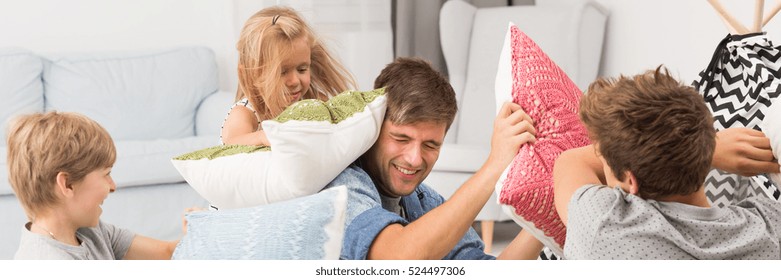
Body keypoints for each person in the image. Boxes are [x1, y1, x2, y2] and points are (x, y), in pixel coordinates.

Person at [323, 57, 541, 260]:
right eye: (401, 139)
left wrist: (545, 221)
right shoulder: (342, 185)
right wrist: (496, 163)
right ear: (375, 129)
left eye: (430, 145)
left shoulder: (424, 201)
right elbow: (397, 259)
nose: (415, 159)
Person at [552, 67, 781, 259]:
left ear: (630, 180)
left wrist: (712, 149)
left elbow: (569, 161)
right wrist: (697, 148)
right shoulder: (768, 232)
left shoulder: (603, 225)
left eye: (603, 159)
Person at [7, 112, 180, 260]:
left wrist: (198, 231)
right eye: (106, 175)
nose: (113, 186)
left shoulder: (92, 232)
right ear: (67, 184)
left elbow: (167, 252)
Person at [220, 6, 356, 146]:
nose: (294, 81)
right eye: (282, 72)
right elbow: (232, 142)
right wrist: (262, 137)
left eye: (302, 69)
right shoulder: (246, 112)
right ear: (251, 74)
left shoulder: (312, 100)